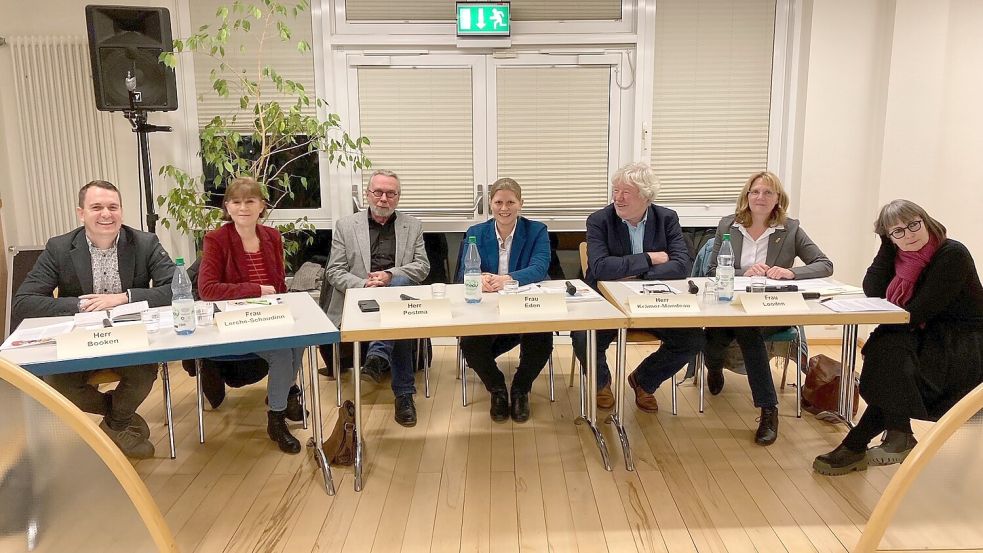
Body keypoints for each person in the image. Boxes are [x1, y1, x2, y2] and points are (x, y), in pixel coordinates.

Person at [814, 200, 982, 475]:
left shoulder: (952, 254)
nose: (910, 234)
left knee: (888, 357)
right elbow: (872, 289)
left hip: (963, 342)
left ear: (925, 220)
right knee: (887, 351)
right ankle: (891, 434)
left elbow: (919, 310)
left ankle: (867, 442)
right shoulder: (900, 257)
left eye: (914, 225)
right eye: (898, 232)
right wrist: (886, 246)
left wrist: (885, 332)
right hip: (924, 333)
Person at [12, 180, 175, 459]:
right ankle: (120, 420)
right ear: (81, 212)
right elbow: (24, 302)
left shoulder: (145, 243)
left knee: (143, 374)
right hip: (79, 341)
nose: (106, 214)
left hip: (129, 338)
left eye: (113, 207)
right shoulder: (60, 248)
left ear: (121, 211)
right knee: (59, 384)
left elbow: (177, 288)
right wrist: (81, 304)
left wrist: (125, 297)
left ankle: (114, 428)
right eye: (96, 207)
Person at [703, 171, 833, 445]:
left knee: (748, 331)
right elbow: (713, 269)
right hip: (729, 307)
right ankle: (714, 367)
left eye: (768, 193)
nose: (760, 197)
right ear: (746, 197)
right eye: (755, 192)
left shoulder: (790, 229)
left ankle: (768, 410)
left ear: (778, 200)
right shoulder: (728, 225)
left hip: (770, 310)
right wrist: (743, 271)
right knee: (713, 339)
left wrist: (791, 273)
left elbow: (824, 264)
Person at [572, 162, 705, 412]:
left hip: (653, 302)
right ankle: (601, 383)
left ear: (646, 196)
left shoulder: (667, 218)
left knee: (693, 338)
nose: (618, 198)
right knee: (582, 336)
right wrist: (649, 258)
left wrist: (637, 274)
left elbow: (681, 265)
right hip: (607, 303)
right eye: (615, 191)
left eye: (626, 192)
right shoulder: (599, 220)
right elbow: (600, 268)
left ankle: (644, 380)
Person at [197, 177, 307, 454]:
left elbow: (279, 285)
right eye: (236, 201)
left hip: (270, 315)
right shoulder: (216, 240)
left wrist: (277, 302)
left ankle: (283, 395)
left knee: (300, 339)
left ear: (261, 206)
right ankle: (277, 417)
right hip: (233, 319)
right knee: (283, 353)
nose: (243, 207)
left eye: (250, 201)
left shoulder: (271, 237)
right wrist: (255, 290)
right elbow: (207, 290)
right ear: (227, 207)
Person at [324, 169, 430, 427]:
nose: (384, 198)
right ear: (367, 194)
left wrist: (389, 276)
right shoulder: (345, 226)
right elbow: (334, 271)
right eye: (378, 192)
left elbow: (422, 267)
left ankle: (381, 360)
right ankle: (403, 393)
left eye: (390, 193)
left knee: (398, 310)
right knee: (399, 317)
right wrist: (365, 285)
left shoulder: (412, 225)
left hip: (396, 296)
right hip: (359, 301)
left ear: (398, 197)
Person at [455, 178, 552, 423]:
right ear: (490, 203)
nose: (504, 208)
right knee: (469, 344)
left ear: (521, 203)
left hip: (524, 304)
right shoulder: (476, 233)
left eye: (511, 202)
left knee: (542, 337)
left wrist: (507, 279)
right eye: (498, 202)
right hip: (487, 308)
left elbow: (540, 267)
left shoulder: (536, 230)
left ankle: (520, 389)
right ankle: (497, 388)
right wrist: (481, 279)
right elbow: (463, 273)